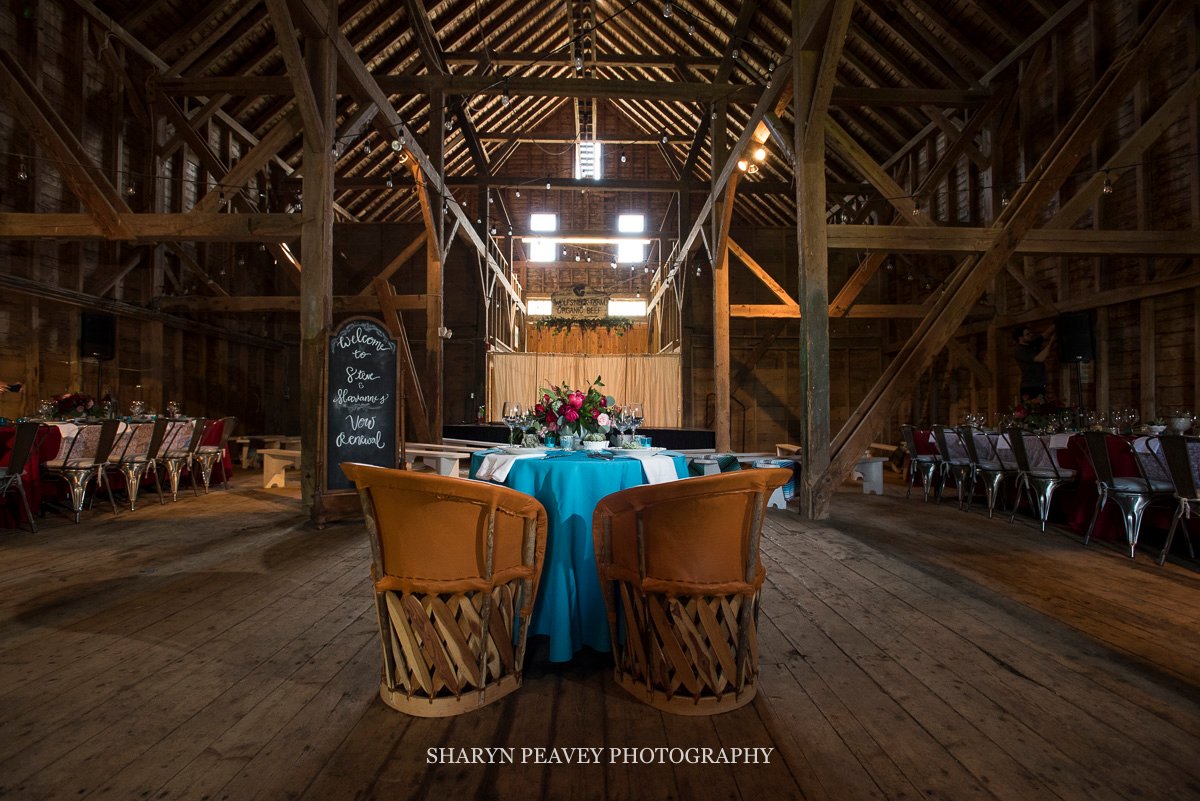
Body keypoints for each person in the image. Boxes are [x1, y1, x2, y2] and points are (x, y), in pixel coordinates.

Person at [1012, 324, 1055, 401]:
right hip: (1030, 387)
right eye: (1027, 334)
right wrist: (1051, 342)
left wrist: (1056, 324)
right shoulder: (1019, 351)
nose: (1031, 335)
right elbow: (1040, 358)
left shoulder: (1032, 344)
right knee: (1034, 411)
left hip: (1040, 384)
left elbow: (1045, 334)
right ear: (1020, 338)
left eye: (1030, 333)